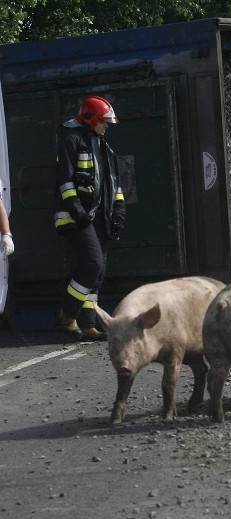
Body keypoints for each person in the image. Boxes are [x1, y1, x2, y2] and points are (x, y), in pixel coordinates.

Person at [54, 95, 125, 341]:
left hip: (99, 218)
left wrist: (118, 212)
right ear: (90, 118)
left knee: (99, 271)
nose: (107, 126)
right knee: (92, 264)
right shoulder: (71, 141)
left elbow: (114, 185)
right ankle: (67, 313)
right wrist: (78, 211)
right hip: (77, 218)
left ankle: (88, 324)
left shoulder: (103, 147)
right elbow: (65, 181)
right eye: (104, 122)